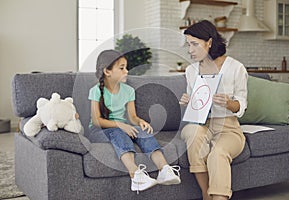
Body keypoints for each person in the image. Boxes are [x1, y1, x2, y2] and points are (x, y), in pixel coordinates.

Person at [88, 49, 181, 193]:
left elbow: (132, 117)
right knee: (119, 133)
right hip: (100, 129)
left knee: (143, 132)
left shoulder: (129, 91)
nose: (126, 71)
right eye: (122, 68)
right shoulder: (96, 91)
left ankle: (164, 169)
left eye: (126, 67)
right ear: (107, 71)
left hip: (123, 127)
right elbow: (96, 120)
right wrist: (120, 125)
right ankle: (136, 176)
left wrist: (140, 122)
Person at [179, 20, 248, 200]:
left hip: (229, 128)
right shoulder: (191, 70)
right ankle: (205, 194)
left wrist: (228, 103)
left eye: (195, 44)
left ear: (209, 42)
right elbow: (196, 104)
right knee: (193, 133)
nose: (190, 50)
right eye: (188, 44)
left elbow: (241, 105)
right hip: (201, 124)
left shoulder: (235, 68)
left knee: (217, 153)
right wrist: (188, 101)